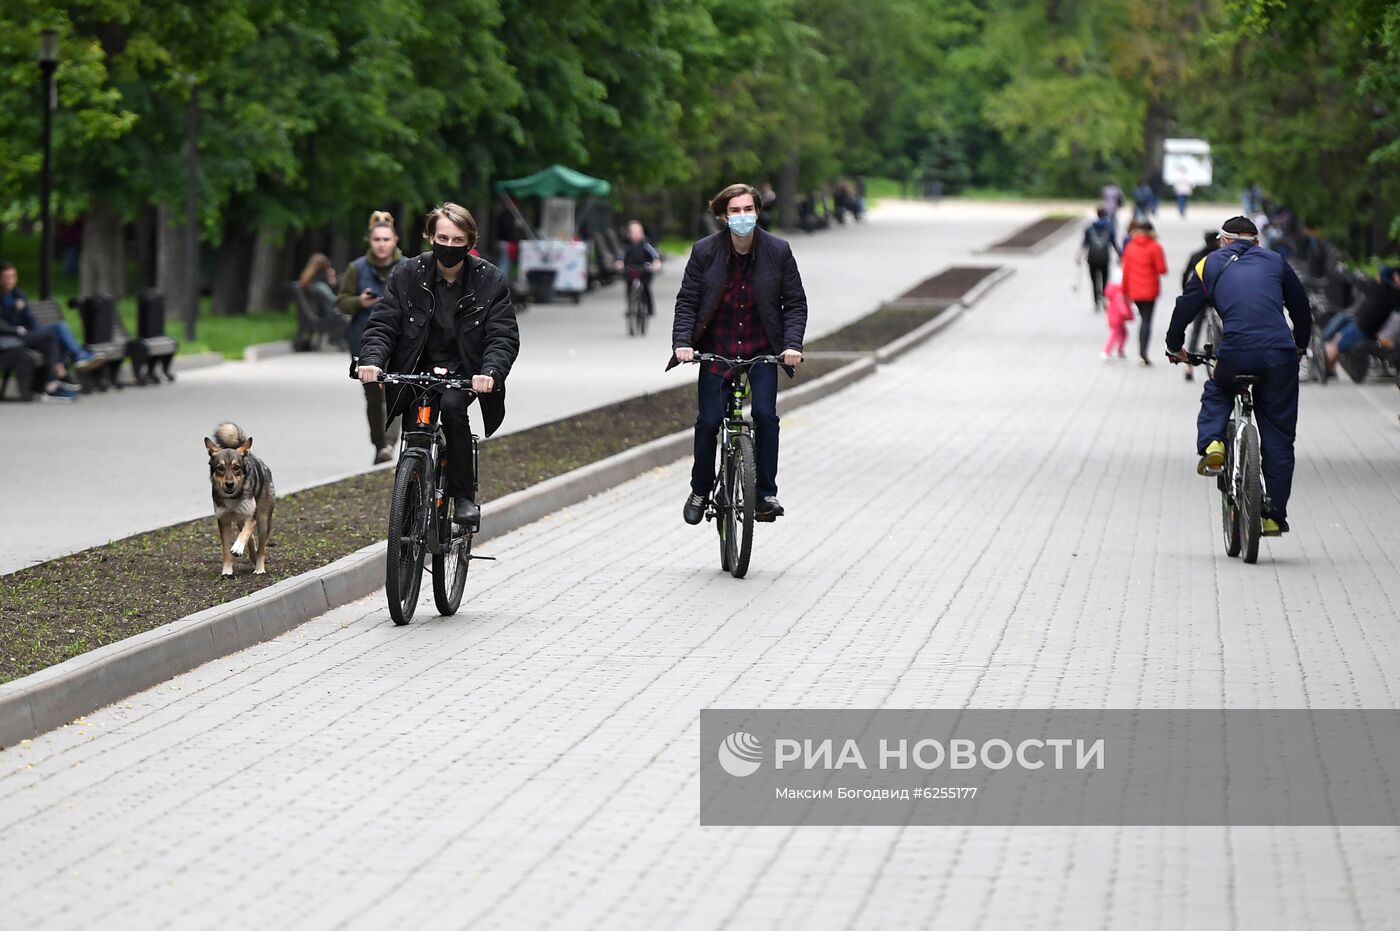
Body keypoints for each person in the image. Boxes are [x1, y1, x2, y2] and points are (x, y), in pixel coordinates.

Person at [357, 203, 519, 527]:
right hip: (417, 367)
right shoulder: (407, 273)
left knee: (453, 407)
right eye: (442, 237)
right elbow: (384, 323)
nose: (448, 246)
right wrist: (372, 360)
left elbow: (502, 336)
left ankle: (462, 497)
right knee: (414, 426)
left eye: (458, 240)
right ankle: (410, 498)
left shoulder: (489, 280)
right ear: (430, 236)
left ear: (470, 242)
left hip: (465, 371)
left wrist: (489, 373)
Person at [670, 182, 808, 524]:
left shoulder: (778, 251)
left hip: (762, 351)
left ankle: (764, 494)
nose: (743, 216)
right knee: (708, 421)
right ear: (723, 215)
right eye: (735, 211)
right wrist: (682, 343)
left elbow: (794, 304)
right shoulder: (705, 252)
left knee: (765, 416)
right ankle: (701, 489)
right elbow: (687, 301)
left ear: (758, 212)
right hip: (717, 351)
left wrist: (792, 345)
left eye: (748, 209)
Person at [1166, 216, 1312, 536]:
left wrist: (1175, 346)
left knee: (1218, 389)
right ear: (1256, 241)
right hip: (1279, 354)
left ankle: (1214, 444)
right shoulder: (1276, 261)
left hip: (1236, 351)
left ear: (1224, 240)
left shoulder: (1208, 265)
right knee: (1279, 436)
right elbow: (1301, 309)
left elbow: (1184, 308)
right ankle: (1273, 515)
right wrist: (1300, 345)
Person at [338, 212, 406, 463]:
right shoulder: (357, 268)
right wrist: (360, 301)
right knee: (373, 395)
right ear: (370, 240)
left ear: (395, 240)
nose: (381, 244)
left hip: (400, 341)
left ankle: (388, 444)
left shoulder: (408, 266)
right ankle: (379, 442)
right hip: (364, 341)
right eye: (377, 239)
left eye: (386, 239)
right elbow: (342, 302)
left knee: (395, 390)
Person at [0, 261, 92, 400]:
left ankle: (50, 384)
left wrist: (37, 331)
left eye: (12, 276)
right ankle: (74, 360)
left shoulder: (18, 294)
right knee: (53, 332)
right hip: (8, 338)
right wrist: (15, 330)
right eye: (6, 277)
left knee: (52, 337)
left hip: (24, 335)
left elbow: (29, 318)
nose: (9, 280)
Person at [1323, 264, 1400, 376]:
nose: (1376, 276)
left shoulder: (1377, 288)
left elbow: (1358, 281)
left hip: (1363, 328)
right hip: (1363, 326)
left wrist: (1345, 271)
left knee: (1338, 342)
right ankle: (1329, 368)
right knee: (1338, 337)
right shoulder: (1393, 295)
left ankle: (1326, 369)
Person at [1120, 221, 1168, 365]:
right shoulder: (1155, 247)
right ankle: (1143, 354)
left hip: (1134, 291)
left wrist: (1125, 292)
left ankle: (1141, 353)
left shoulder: (1130, 247)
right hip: (1150, 291)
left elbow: (1125, 272)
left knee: (1142, 320)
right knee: (1146, 321)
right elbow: (1162, 270)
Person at [1178, 231, 1221, 381]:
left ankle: (1188, 367)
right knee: (1222, 328)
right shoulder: (1220, 257)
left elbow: (1185, 274)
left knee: (1196, 330)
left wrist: (1187, 293)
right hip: (1217, 298)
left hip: (1200, 299)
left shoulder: (1196, 255)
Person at [614, 220, 663, 317]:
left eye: (638, 232)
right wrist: (619, 263)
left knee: (645, 287)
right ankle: (630, 307)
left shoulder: (646, 245)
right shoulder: (626, 246)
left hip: (645, 269)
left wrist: (656, 263)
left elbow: (654, 255)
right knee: (629, 287)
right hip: (631, 269)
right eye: (633, 233)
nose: (636, 235)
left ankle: (649, 308)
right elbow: (621, 256)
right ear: (628, 234)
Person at [1079, 207, 1121, 311]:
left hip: (1092, 258)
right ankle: (1104, 298)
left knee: (1094, 280)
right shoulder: (1110, 227)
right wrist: (1120, 255)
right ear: (1105, 215)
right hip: (1104, 258)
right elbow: (1114, 243)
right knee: (1105, 279)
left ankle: (1096, 301)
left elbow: (1085, 244)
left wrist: (1079, 256)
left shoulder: (1089, 227)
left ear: (1097, 214)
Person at [1101, 267, 1133, 360]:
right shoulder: (1119, 292)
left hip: (1114, 317)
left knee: (1123, 333)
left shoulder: (1113, 290)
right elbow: (1121, 305)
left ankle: (1120, 350)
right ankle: (1106, 351)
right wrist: (1127, 313)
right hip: (1117, 318)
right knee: (1115, 335)